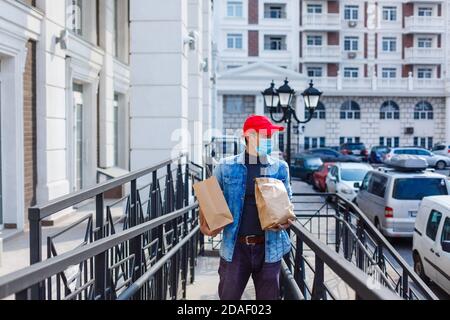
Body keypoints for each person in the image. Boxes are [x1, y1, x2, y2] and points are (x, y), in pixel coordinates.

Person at [199, 115, 294, 300]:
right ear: (249, 135)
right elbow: (209, 202)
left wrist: (285, 219)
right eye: (266, 135)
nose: (270, 140)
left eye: (270, 136)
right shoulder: (225, 167)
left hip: (269, 248)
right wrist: (206, 222)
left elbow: (289, 204)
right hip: (235, 248)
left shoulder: (280, 168)